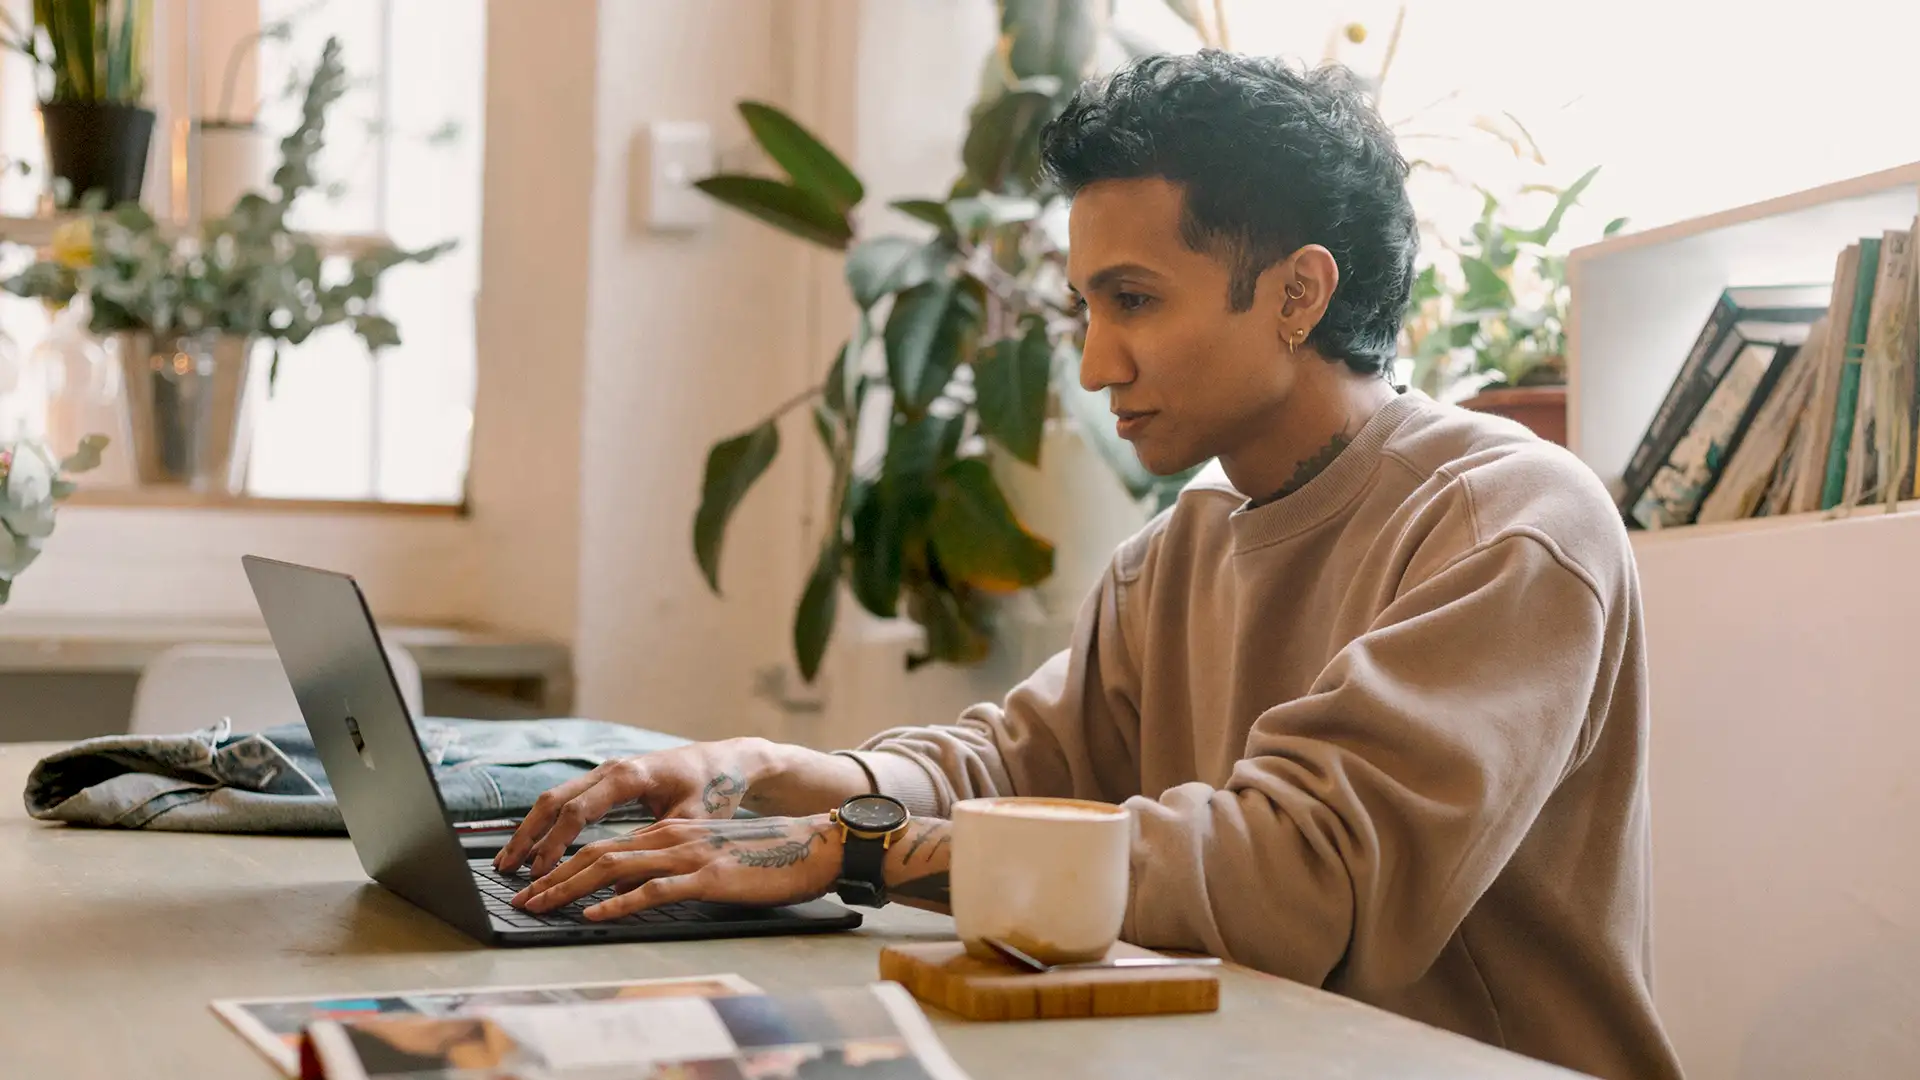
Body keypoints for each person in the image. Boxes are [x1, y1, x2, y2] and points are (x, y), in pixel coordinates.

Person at [493, 51, 1683, 1080]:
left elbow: (1306, 878)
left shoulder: (1508, 520)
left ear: (1299, 293)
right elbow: (1015, 763)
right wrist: (779, 775)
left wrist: (858, 848)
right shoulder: (1180, 547)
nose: (1098, 360)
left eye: (1136, 300)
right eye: (1085, 308)